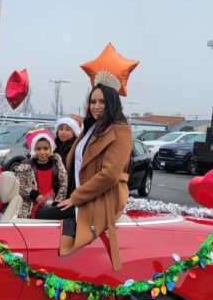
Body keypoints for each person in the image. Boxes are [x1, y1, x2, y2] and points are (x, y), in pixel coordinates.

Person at [57, 83, 133, 270]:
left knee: (44, 215)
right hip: (82, 195)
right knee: (43, 210)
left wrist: (76, 198)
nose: (96, 106)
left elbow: (110, 175)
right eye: (93, 101)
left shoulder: (120, 130)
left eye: (102, 102)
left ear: (112, 103)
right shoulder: (91, 127)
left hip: (102, 198)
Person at [15, 128, 68, 219]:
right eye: (38, 149)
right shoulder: (26, 167)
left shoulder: (56, 164)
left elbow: (63, 183)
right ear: (33, 150)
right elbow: (20, 186)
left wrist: (57, 202)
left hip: (52, 205)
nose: (42, 152)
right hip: (32, 206)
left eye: (46, 148)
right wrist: (34, 194)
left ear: (51, 149)